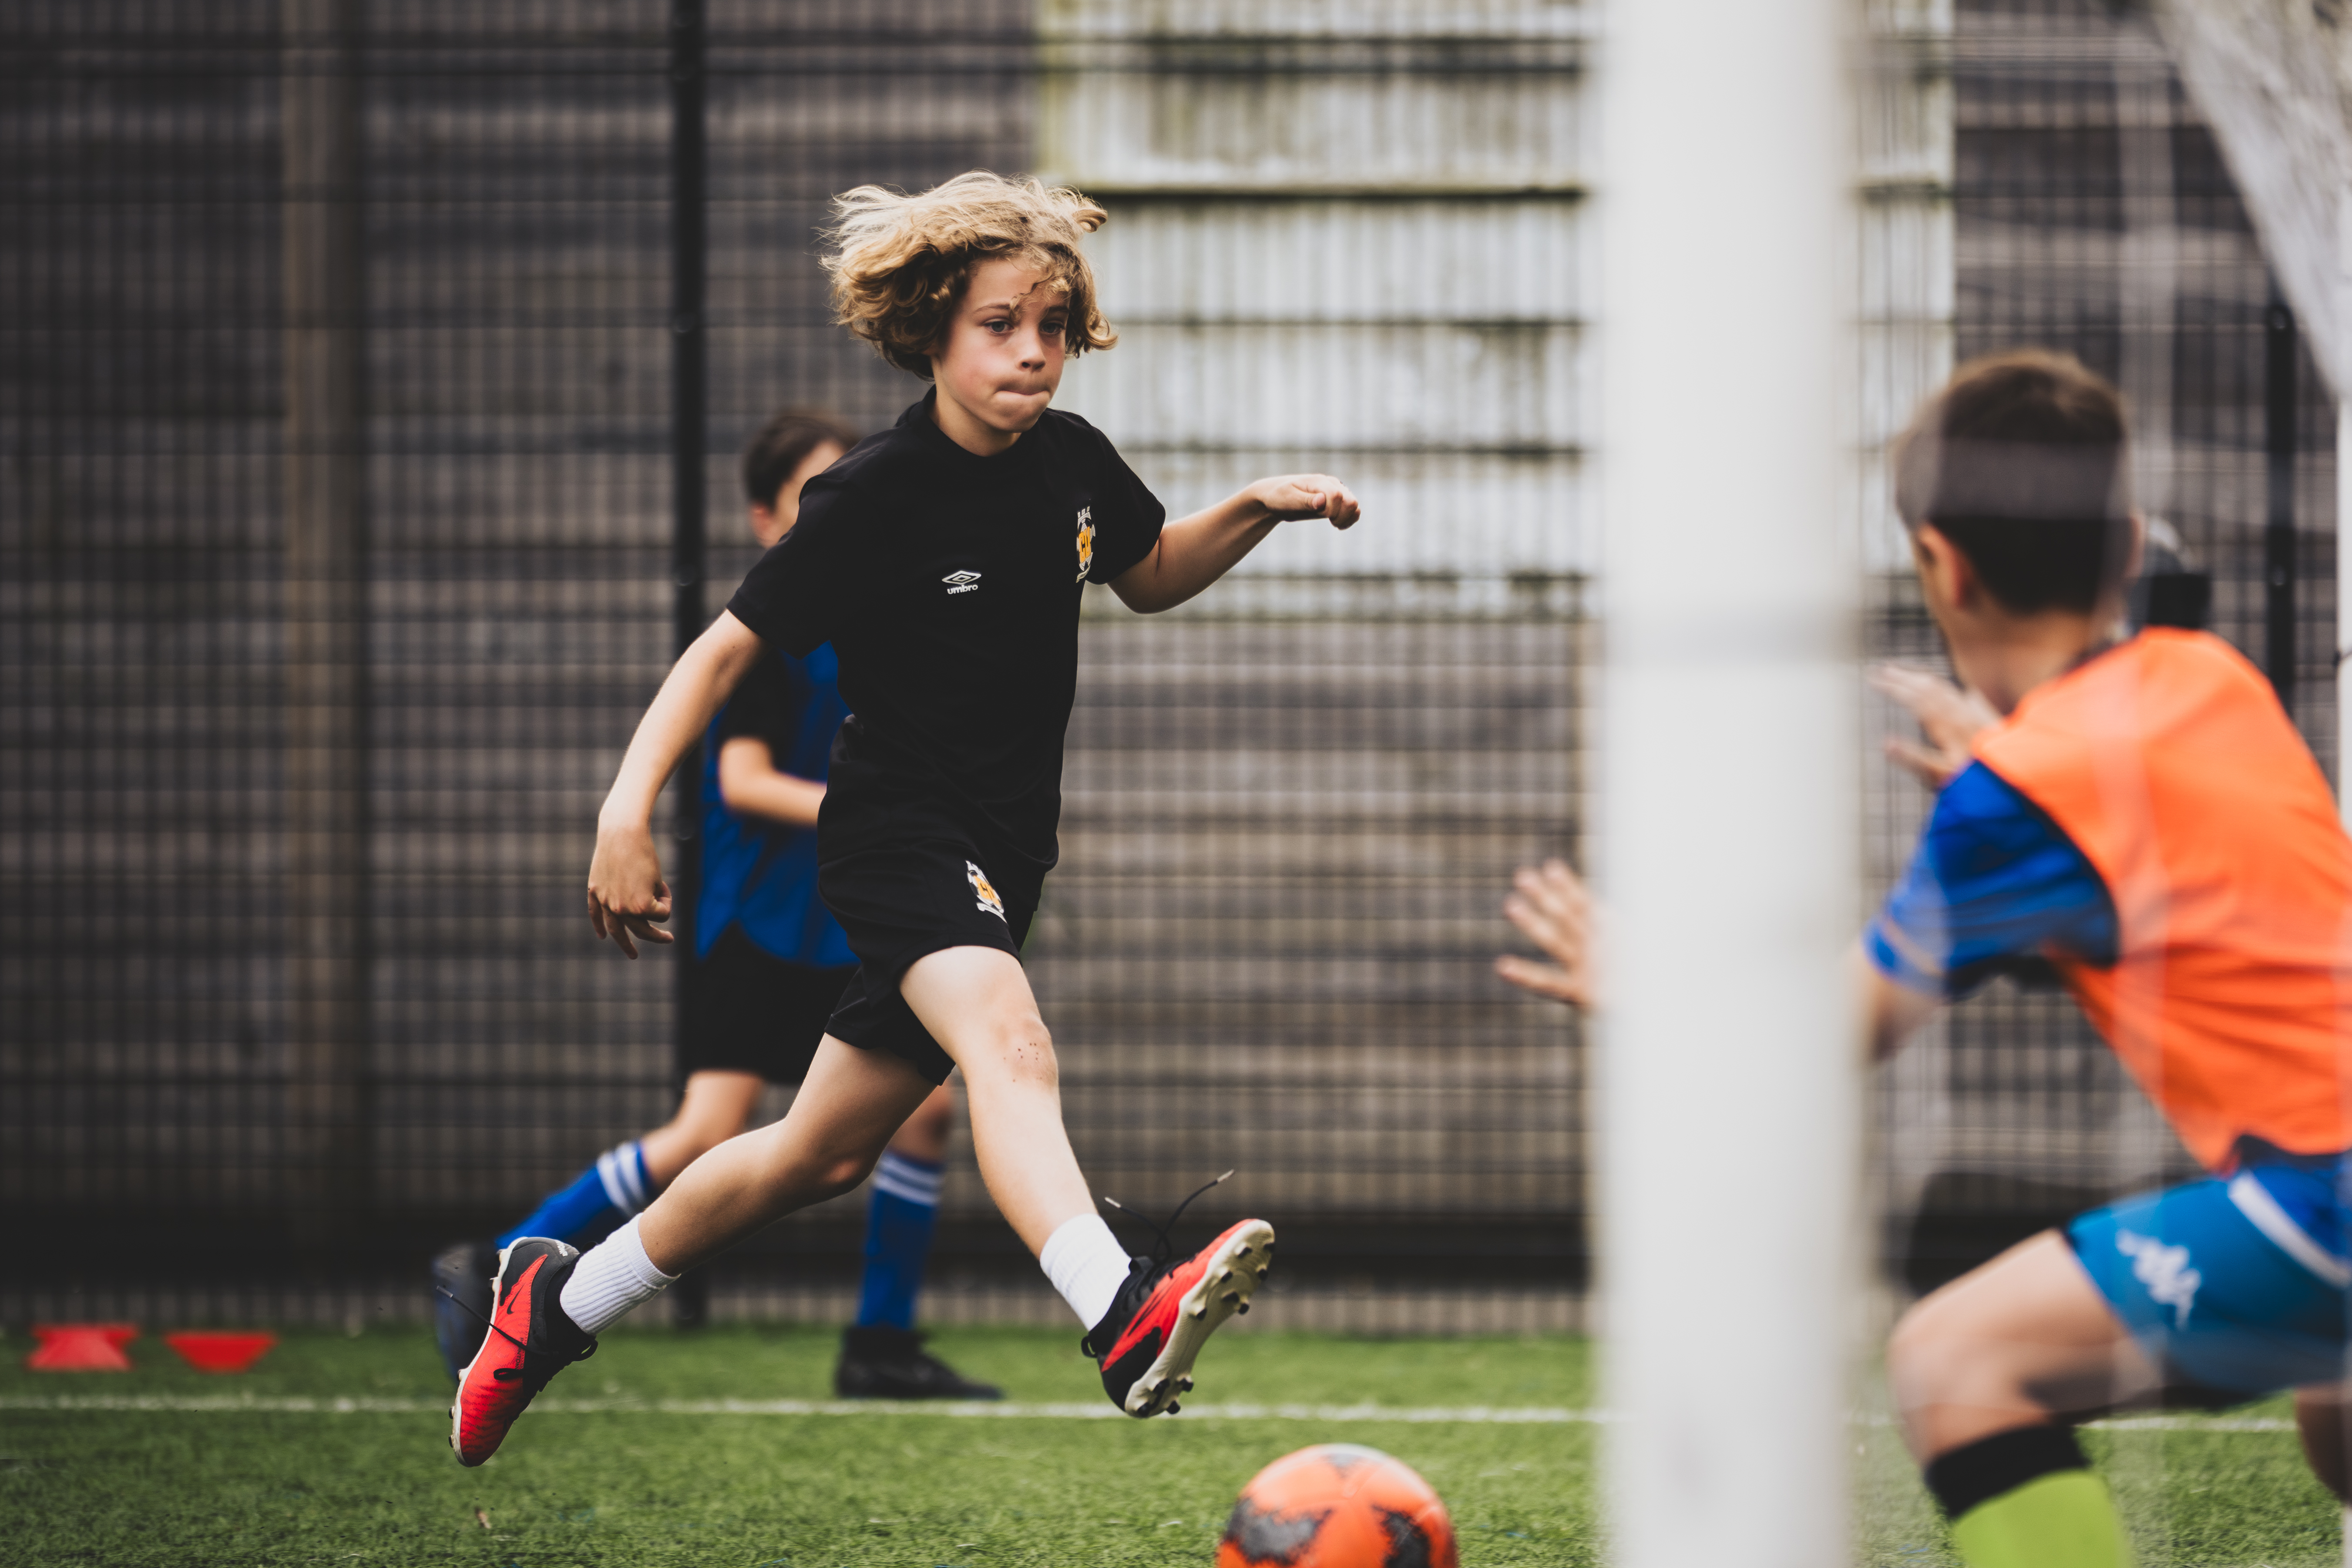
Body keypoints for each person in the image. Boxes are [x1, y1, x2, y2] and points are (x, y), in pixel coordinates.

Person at [448, 170, 1361, 1466]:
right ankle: (1117, 1307)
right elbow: (718, 655)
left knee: (809, 1155)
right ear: (932, 327)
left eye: (1050, 325)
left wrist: (1257, 506)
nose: (1032, 351)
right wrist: (622, 808)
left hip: (1001, 855)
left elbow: (1151, 575)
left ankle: (551, 1305)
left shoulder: (1074, 464)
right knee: (1010, 1040)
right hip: (895, 837)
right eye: (1001, 324)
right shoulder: (872, 494)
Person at [1498, 350, 2352, 1568]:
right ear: (2124, 543)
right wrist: (2020, 765)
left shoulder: (2018, 796)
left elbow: (1823, 1041)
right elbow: (2156, 845)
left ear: (1939, 565)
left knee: (1955, 1362)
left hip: (2329, 1191)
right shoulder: (2213, 679)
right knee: (2340, 1430)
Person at [431, 410, 999, 1401]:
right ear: (764, 517)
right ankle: (498, 1263)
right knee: (706, 1129)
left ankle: (880, 1341)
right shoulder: (773, 627)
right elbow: (740, 779)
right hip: (753, 919)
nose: (840, 519)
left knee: (924, 1114)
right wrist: (881, 815)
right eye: (812, 499)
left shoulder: (875, 621)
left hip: (846, 918)